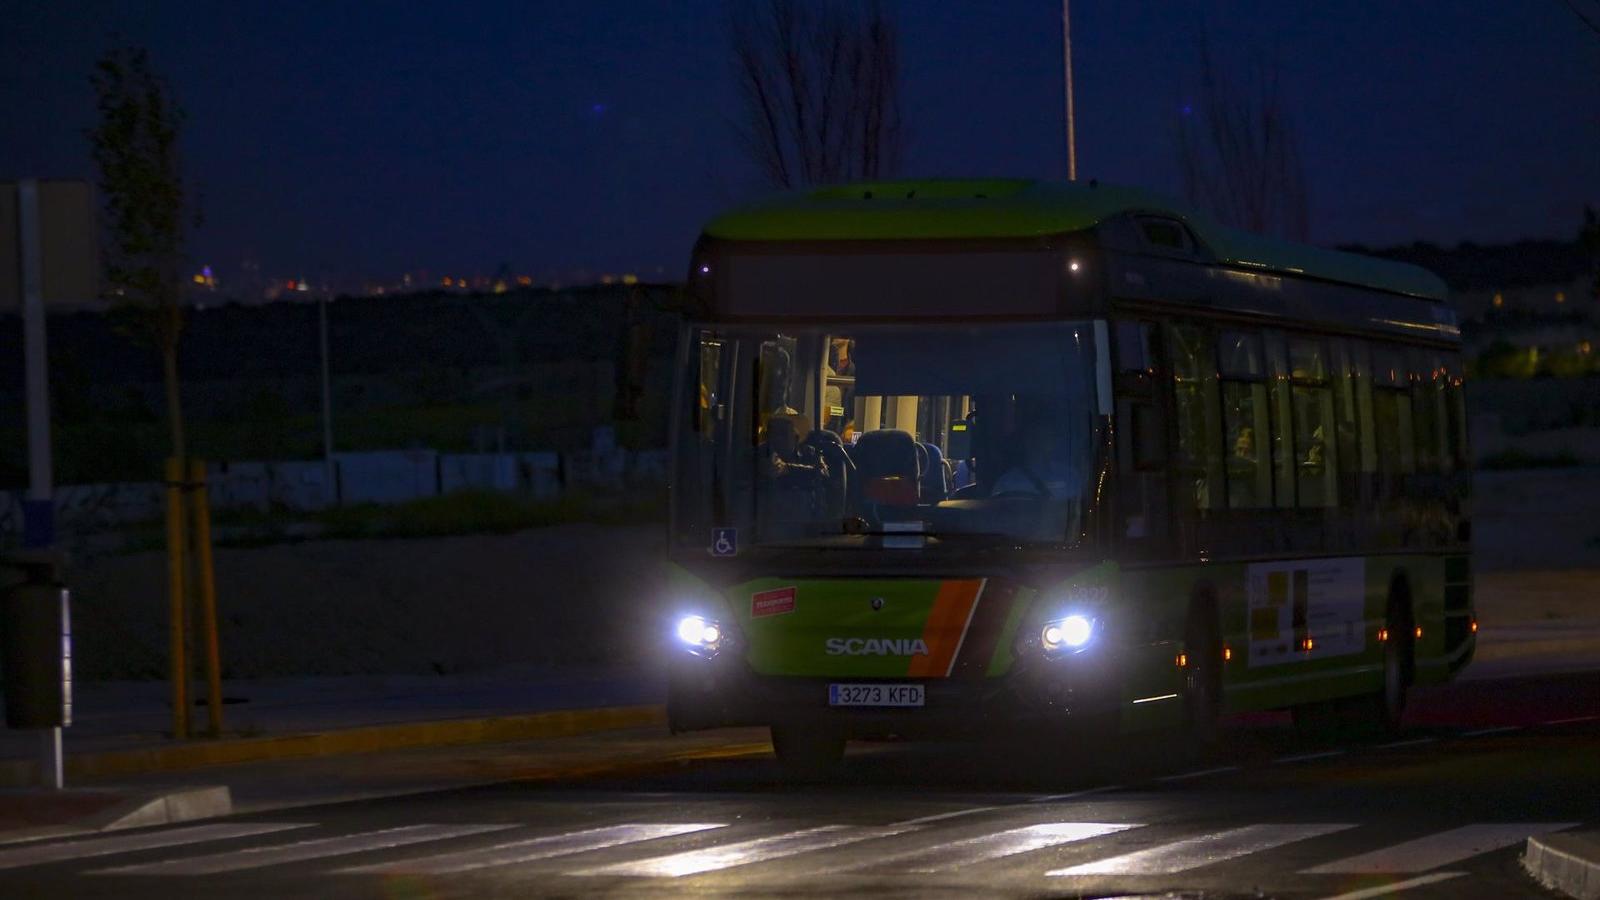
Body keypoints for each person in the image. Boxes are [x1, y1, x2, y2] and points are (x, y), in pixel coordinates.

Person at [990, 423, 1080, 499]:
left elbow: (1079, 511)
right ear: (1025, 442)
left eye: (1045, 437)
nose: (1039, 444)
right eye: (1035, 438)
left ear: (1053, 442)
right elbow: (997, 514)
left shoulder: (1069, 477)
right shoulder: (1007, 483)